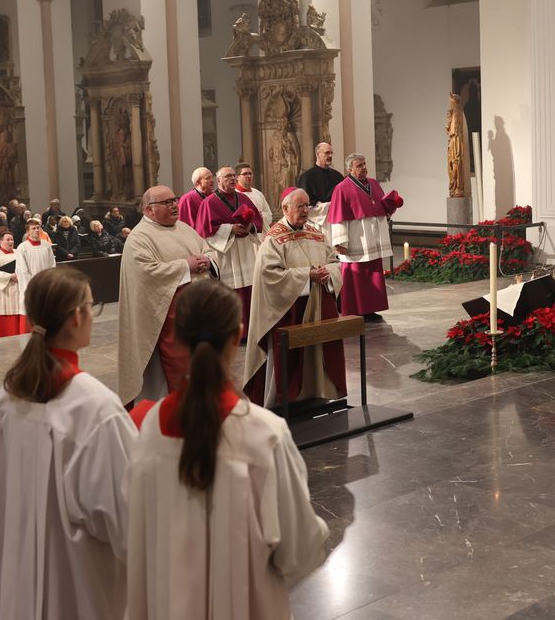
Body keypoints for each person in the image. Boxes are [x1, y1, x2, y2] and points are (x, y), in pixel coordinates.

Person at [126, 279, 330, 619]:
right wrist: (316, 530)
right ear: (237, 336)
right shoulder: (265, 434)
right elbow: (299, 552)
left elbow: (133, 530)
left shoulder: (149, 430)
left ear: (176, 338)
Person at [0, 267, 136, 620]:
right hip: (78, 590)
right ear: (78, 316)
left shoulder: (6, 399)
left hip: (18, 582)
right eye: (92, 307)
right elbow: (130, 518)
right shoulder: (95, 407)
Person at [243, 188, 345, 408]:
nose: (305, 210)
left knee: (319, 348)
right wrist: (306, 275)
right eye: (300, 206)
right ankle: (287, 399)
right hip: (289, 310)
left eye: (307, 205)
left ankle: (317, 391)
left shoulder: (316, 233)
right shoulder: (273, 240)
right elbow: (268, 275)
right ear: (285, 208)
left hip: (318, 305)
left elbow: (334, 261)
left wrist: (329, 272)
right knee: (291, 356)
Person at [117, 185, 217, 403]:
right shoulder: (139, 237)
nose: (174, 205)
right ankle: (179, 412)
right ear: (149, 210)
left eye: (175, 200)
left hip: (199, 311)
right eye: (167, 202)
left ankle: (205, 405)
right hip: (169, 316)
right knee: (180, 369)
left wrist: (207, 260)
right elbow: (146, 273)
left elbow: (206, 247)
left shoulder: (183, 227)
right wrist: (186, 266)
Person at [327, 152, 403, 322]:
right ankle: (357, 310)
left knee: (373, 275)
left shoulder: (374, 184)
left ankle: (370, 309)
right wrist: (340, 242)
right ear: (350, 169)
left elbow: (381, 208)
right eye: (359, 165)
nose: (364, 168)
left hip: (373, 240)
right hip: (356, 241)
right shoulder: (342, 188)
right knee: (357, 277)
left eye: (364, 164)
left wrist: (391, 206)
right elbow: (339, 217)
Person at [192, 166, 263, 320]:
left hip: (245, 250)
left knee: (250, 287)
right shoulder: (209, 203)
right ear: (218, 181)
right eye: (227, 176)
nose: (232, 179)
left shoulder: (244, 198)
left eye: (233, 176)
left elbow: (258, 221)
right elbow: (204, 231)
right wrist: (230, 229)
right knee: (230, 289)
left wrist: (250, 227)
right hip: (226, 252)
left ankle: (250, 325)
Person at [0, 232, 28, 339]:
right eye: (8, 240)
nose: (11, 242)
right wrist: (10, 276)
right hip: (4, 292)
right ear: (1, 242)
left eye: (12, 240)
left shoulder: (19, 252)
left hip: (18, 289)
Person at [17, 218, 57, 298]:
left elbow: (52, 264)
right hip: (32, 284)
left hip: (47, 283)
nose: (36, 230)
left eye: (38, 228)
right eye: (33, 228)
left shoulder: (47, 245)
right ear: (28, 231)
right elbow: (22, 270)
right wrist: (32, 283)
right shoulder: (23, 247)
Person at [235, 161, 273, 232]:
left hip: (261, 233)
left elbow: (269, 214)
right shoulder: (235, 195)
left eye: (250, 173)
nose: (249, 176)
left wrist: (261, 216)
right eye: (245, 174)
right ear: (237, 177)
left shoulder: (258, 193)